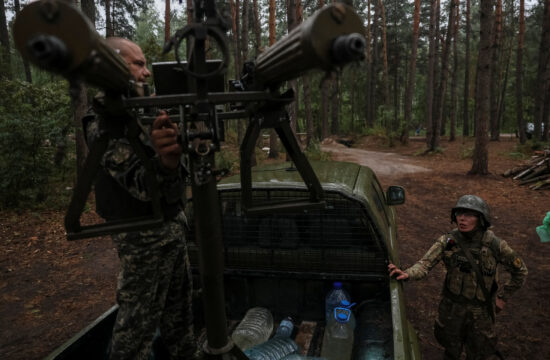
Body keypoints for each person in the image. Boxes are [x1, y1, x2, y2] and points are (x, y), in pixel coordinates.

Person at [83, 37, 198, 360]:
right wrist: (166, 161)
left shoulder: (142, 113)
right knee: (136, 332)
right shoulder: (103, 124)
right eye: (138, 64)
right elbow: (141, 185)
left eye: (145, 64)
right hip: (143, 242)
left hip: (171, 231)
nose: (146, 73)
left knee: (180, 321)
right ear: (113, 68)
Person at [388, 195, 527, 360]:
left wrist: (503, 297)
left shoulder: (494, 245)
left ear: (481, 219)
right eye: (459, 214)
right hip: (452, 308)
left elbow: (520, 271)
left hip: (481, 312)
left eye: (469, 215)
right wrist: (408, 273)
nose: (462, 218)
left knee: (479, 352)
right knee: (451, 350)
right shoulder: (451, 241)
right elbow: (425, 263)